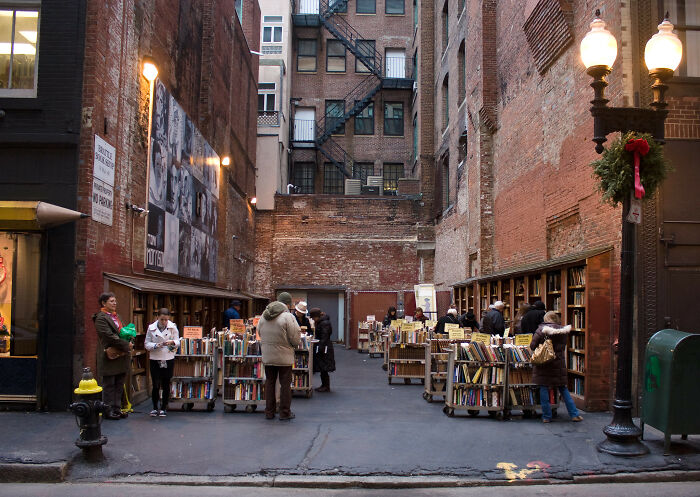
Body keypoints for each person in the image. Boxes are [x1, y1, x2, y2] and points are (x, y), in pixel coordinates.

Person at [530, 311, 583, 423]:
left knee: (543, 388)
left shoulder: (541, 330)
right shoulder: (563, 331)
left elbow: (532, 345)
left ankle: (546, 416)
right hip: (558, 363)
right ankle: (574, 414)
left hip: (544, 363)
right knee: (563, 389)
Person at [258, 292, 301, 421]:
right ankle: (284, 412)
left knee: (270, 383)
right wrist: (293, 345)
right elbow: (295, 337)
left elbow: (259, 332)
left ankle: (269, 412)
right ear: (287, 303)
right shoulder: (288, 317)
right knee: (285, 385)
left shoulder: (263, 316)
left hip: (268, 356)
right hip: (284, 357)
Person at [93, 292, 132, 420]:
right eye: (111, 301)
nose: (115, 303)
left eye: (115, 301)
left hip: (120, 355)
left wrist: (130, 339)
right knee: (109, 385)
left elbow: (124, 331)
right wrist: (126, 345)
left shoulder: (117, 316)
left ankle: (117, 408)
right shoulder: (100, 318)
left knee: (119, 384)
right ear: (103, 303)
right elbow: (109, 336)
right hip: (109, 355)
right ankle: (107, 410)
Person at [144, 308, 180, 417]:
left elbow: (178, 341)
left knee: (166, 383)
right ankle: (155, 407)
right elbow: (146, 343)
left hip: (168, 357)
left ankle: (164, 407)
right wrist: (156, 345)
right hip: (155, 358)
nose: (164, 322)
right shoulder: (151, 328)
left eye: (166, 320)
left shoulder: (173, 327)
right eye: (162, 319)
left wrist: (172, 341)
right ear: (157, 317)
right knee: (155, 384)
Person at [309, 308, 336, 392]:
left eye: (313, 318)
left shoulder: (324, 323)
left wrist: (319, 348)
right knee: (323, 367)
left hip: (324, 348)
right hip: (324, 346)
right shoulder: (324, 322)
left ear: (317, 316)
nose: (313, 320)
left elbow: (324, 337)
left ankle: (325, 386)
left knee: (324, 367)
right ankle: (324, 385)